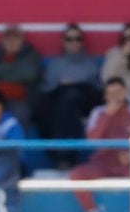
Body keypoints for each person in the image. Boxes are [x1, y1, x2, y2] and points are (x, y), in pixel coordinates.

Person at [69, 79, 130, 212]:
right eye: (111, 94)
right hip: (102, 163)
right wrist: (107, 116)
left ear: (126, 93)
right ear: (105, 96)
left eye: (119, 93)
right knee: (77, 174)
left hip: (129, 164)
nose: (115, 97)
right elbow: (91, 141)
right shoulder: (98, 113)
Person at [37, 25, 101, 161]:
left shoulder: (90, 64)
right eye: (69, 39)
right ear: (63, 41)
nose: (73, 42)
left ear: (82, 42)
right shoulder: (55, 65)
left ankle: (66, 156)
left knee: (71, 97)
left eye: (77, 39)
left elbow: (96, 91)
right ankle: (58, 154)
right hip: (58, 104)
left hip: (82, 103)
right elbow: (47, 90)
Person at [0, 23, 43, 127]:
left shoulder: (30, 53)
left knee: (20, 113)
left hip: (20, 100)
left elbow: (29, 74)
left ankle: (16, 144)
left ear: (22, 41)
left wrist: (0, 72)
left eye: (15, 39)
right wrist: (15, 69)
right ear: (2, 41)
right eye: (8, 39)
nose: (11, 42)